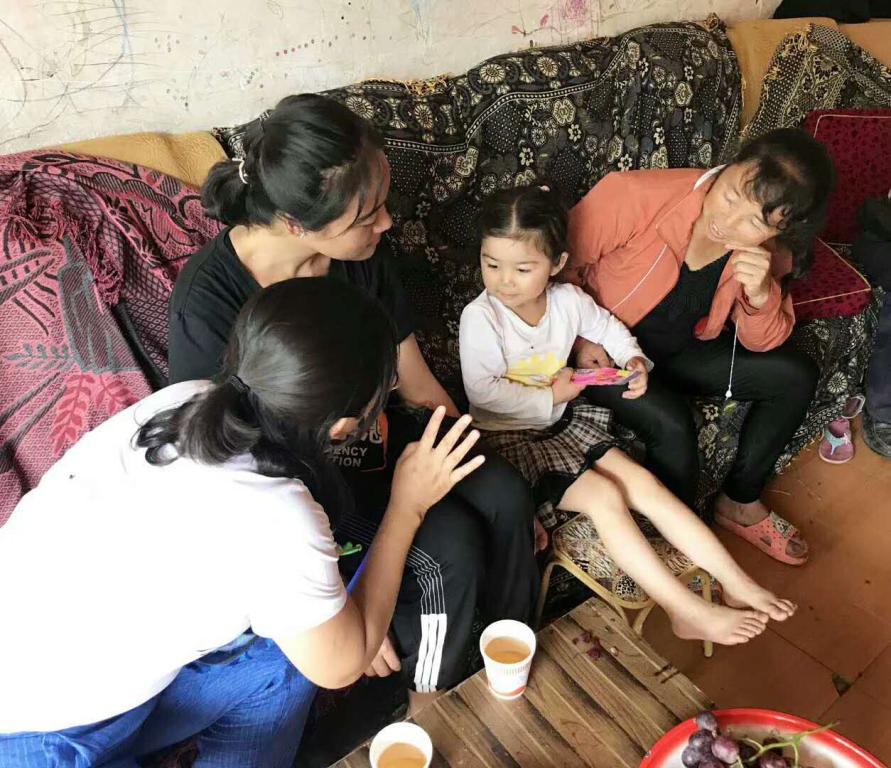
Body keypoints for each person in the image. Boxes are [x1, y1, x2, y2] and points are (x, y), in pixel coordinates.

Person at [0, 278, 485, 767]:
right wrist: (407, 507)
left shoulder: (188, 400)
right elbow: (342, 664)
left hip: (73, 673)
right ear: (342, 426)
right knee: (309, 657)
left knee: (282, 660)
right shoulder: (278, 511)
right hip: (38, 739)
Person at [168, 94, 540, 705]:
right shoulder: (208, 305)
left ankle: (510, 660)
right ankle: (439, 706)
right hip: (300, 482)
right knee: (449, 544)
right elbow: (234, 476)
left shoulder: (360, 256)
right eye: (366, 215)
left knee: (504, 495)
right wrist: (347, 602)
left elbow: (415, 381)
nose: (386, 223)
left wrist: (481, 466)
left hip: (378, 434)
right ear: (296, 224)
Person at [459, 185, 797, 646]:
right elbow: (483, 392)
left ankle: (737, 582)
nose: (504, 281)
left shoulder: (567, 300)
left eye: (522, 268)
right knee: (605, 498)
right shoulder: (481, 317)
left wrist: (633, 359)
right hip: (509, 440)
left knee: (645, 484)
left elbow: (608, 329)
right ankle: (684, 610)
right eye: (491, 264)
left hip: (563, 424)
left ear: (556, 264)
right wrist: (551, 394)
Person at [567, 128, 834, 566]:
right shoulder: (635, 196)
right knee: (672, 423)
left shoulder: (766, 252)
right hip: (605, 351)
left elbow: (763, 340)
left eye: (754, 222)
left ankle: (739, 501)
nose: (728, 222)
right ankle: (679, 550)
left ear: (780, 228)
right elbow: (559, 265)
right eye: (730, 196)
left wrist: (761, 294)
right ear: (728, 166)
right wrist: (582, 338)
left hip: (677, 350)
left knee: (794, 375)